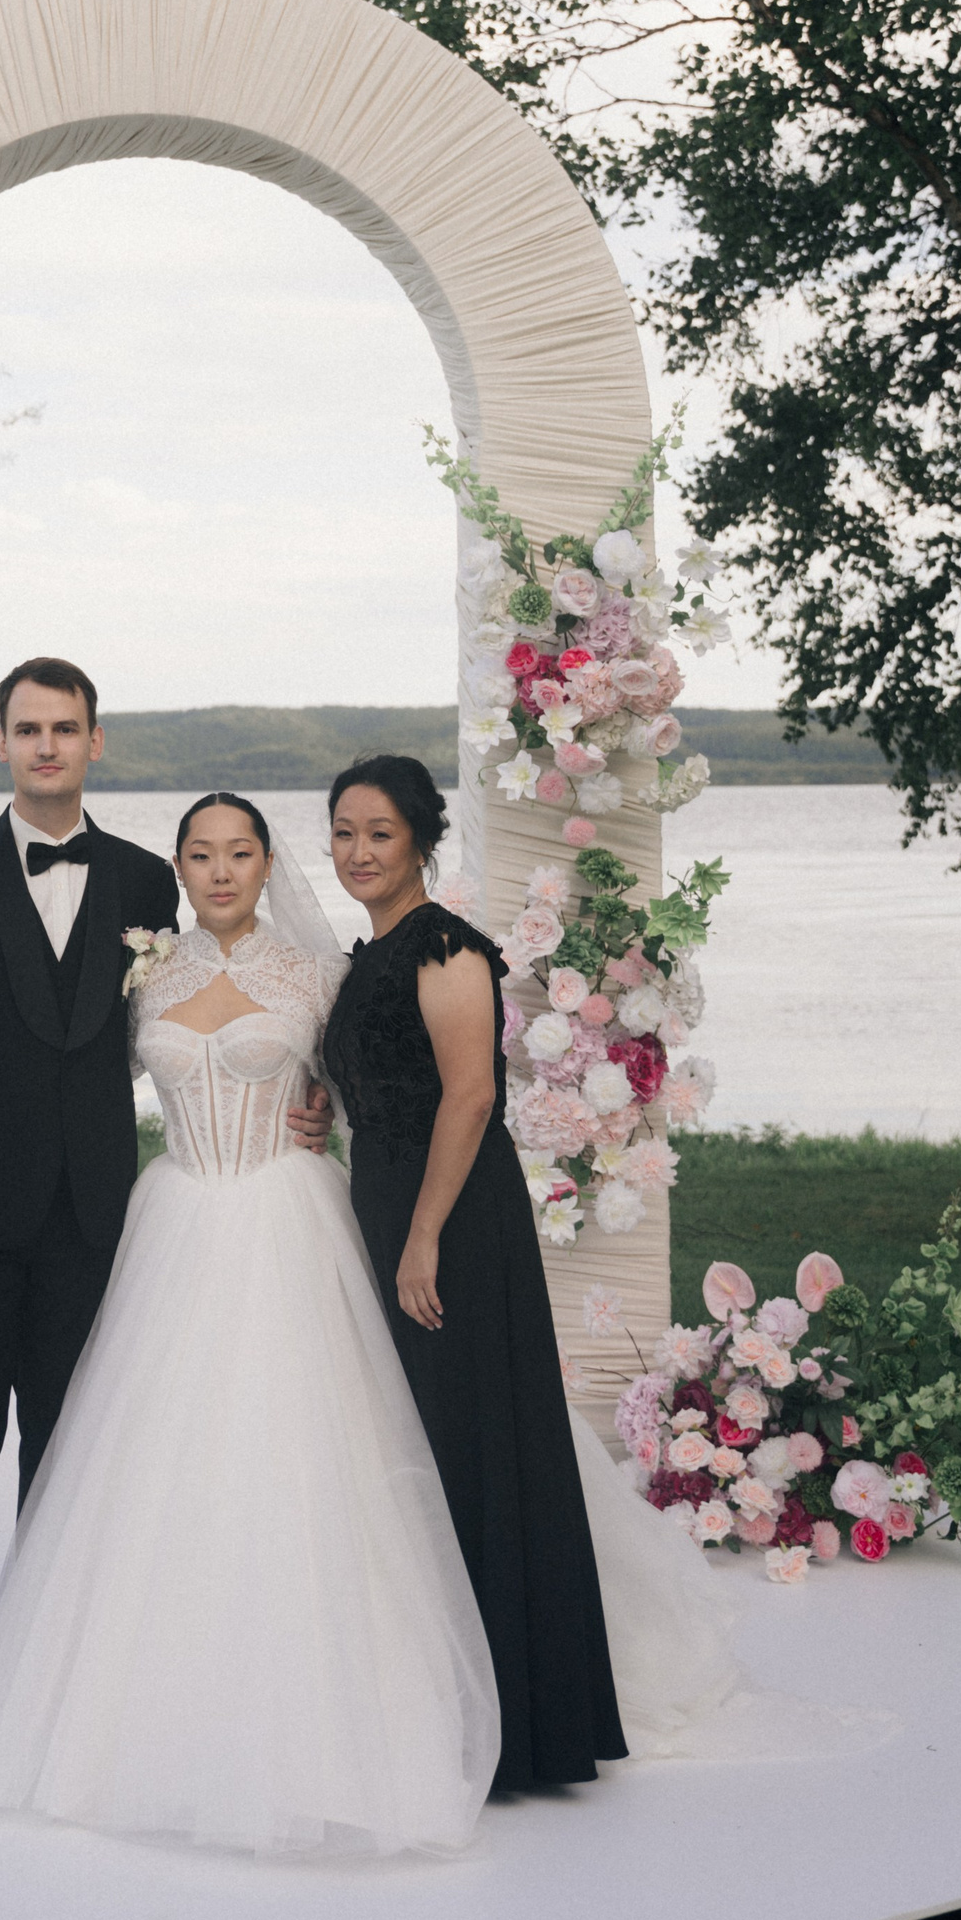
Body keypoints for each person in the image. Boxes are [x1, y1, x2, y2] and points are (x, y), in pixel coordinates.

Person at [0, 791, 503, 1854]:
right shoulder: (144, 970)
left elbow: (374, 1086)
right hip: (177, 1218)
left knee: (299, 1456)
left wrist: (324, 1117)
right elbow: (69, 1076)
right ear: (178, 869)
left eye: (240, 853)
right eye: (201, 854)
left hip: (287, 1220)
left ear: (268, 864)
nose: (222, 871)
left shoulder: (317, 975)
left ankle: (322, 1707)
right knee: (153, 1460)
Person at [0, 659, 181, 1759]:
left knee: (70, 1453)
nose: (47, 745)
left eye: (65, 728)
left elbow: (188, 1022)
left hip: (93, 1220)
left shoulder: (149, 882)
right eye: (28, 728)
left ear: (95, 742)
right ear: (1, 743)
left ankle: (51, 1662)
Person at [319, 753, 629, 1789]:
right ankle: (442, 1689)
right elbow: (378, 1078)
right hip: (390, 1202)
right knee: (425, 1441)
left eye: (380, 834)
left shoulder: (445, 945)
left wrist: (423, 1236)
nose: (359, 852)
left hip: (450, 1219)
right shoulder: (373, 952)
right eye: (344, 833)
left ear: (420, 840)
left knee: (472, 1444)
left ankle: (518, 1720)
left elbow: (471, 1096)